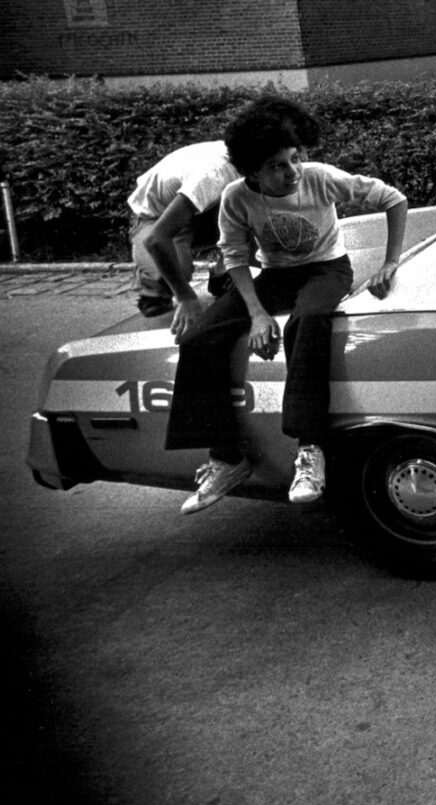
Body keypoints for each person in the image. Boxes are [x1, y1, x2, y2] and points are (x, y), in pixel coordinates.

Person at [166, 100, 408, 514]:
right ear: (252, 173)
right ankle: (227, 458)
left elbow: (394, 199)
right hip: (275, 275)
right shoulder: (236, 197)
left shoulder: (321, 179)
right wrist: (257, 313)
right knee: (198, 336)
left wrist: (390, 262)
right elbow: (236, 256)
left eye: (294, 159)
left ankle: (311, 449)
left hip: (327, 269)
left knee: (308, 319)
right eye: (277, 166)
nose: (292, 171)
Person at [126, 96, 318, 334]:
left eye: (299, 153)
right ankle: (152, 291)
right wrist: (185, 297)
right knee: (175, 275)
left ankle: (222, 274)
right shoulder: (212, 175)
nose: (304, 160)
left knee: (264, 211)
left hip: (207, 209)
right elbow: (156, 238)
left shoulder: (256, 161)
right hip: (157, 216)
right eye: (299, 150)